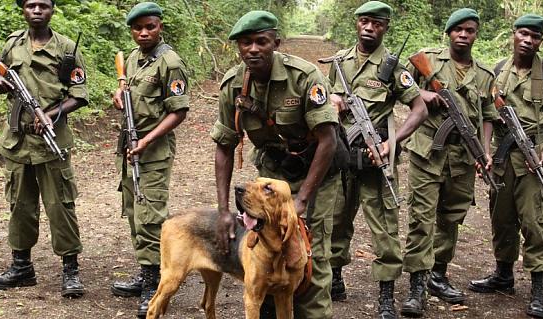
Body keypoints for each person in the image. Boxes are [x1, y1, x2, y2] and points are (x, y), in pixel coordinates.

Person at [212, 10, 343, 318]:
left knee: (310, 256)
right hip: (271, 174)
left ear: (276, 43)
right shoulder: (233, 85)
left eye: (261, 41)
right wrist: (223, 211)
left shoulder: (305, 77)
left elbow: (328, 140)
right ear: (239, 47)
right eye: (246, 43)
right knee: (264, 248)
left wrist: (301, 200)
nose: (253, 49)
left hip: (315, 173)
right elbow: (224, 147)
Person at [467, 14, 543, 318]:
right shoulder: (498, 71)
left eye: (535, 37)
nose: (529, 41)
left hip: (533, 157)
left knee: (534, 222)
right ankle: (503, 275)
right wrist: (485, 152)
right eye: (524, 34)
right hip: (502, 158)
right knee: (501, 218)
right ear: (513, 34)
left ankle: (539, 290)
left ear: (541, 41)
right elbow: (488, 114)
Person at [324, 2, 427, 318]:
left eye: (377, 23)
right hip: (342, 155)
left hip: (375, 158)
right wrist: (333, 102)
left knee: (383, 227)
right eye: (365, 22)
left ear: (385, 27)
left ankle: (386, 296)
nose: (370, 28)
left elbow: (420, 109)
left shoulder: (394, 69)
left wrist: (390, 144)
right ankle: (335, 279)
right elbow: (325, 100)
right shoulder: (339, 61)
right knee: (336, 220)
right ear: (357, 24)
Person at [0, 0, 88, 298]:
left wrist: (52, 114)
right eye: (31, 5)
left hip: (52, 141)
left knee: (61, 206)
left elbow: (79, 95)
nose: (37, 10)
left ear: (52, 9)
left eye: (43, 5)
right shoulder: (13, 44)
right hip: (18, 141)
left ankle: (70, 270)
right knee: (19, 204)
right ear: (23, 10)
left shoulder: (67, 48)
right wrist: (0, 81)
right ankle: (21, 267)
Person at [400, 8, 496, 315]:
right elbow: (400, 86)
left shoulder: (484, 74)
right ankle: (417, 284)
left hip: (463, 158)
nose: (464, 35)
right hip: (429, 151)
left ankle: (437, 274)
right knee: (421, 217)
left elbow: (488, 116)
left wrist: (485, 151)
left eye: (470, 30)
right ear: (449, 32)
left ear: (475, 35)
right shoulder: (428, 59)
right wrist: (424, 96)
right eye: (459, 30)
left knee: (451, 218)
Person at [109, 2, 189, 316]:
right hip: (130, 147)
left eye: (150, 27)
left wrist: (146, 140)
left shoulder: (170, 61)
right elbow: (126, 89)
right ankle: (146, 273)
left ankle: (156, 285)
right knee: (134, 213)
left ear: (160, 27)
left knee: (151, 218)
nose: (143, 32)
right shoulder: (133, 57)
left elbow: (179, 111)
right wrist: (118, 95)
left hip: (151, 152)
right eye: (138, 28)